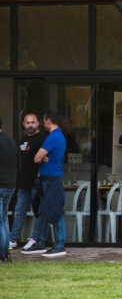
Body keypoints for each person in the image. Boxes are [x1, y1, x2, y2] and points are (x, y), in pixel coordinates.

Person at [22, 111, 67, 258]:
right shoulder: (57, 136)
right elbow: (41, 157)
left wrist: (42, 156)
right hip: (47, 178)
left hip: (52, 179)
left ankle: (60, 244)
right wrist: (43, 156)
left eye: (44, 120)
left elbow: (37, 158)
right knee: (42, 211)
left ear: (48, 121)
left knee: (55, 210)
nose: (44, 123)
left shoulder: (53, 137)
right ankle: (40, 242)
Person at [9, 113, 45, 250]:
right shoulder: (23, 139)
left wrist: (41, 172)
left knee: (38, 212)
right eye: (28, 123)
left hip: (36, 183)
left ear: (38, 123)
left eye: (33, 122)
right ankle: (12, 239)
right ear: (23, 124)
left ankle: (35, 239)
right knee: (19, 212)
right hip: (23, 183)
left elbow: (48, 156)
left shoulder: (42, 138)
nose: (30, 125)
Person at [0, 116, 21, 263]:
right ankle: (6, 253)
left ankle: (2, 254)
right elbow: (19, 163)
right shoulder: (11, 140)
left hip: (1, 185)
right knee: (3, 219)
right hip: (10, 185)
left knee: (0, 220)